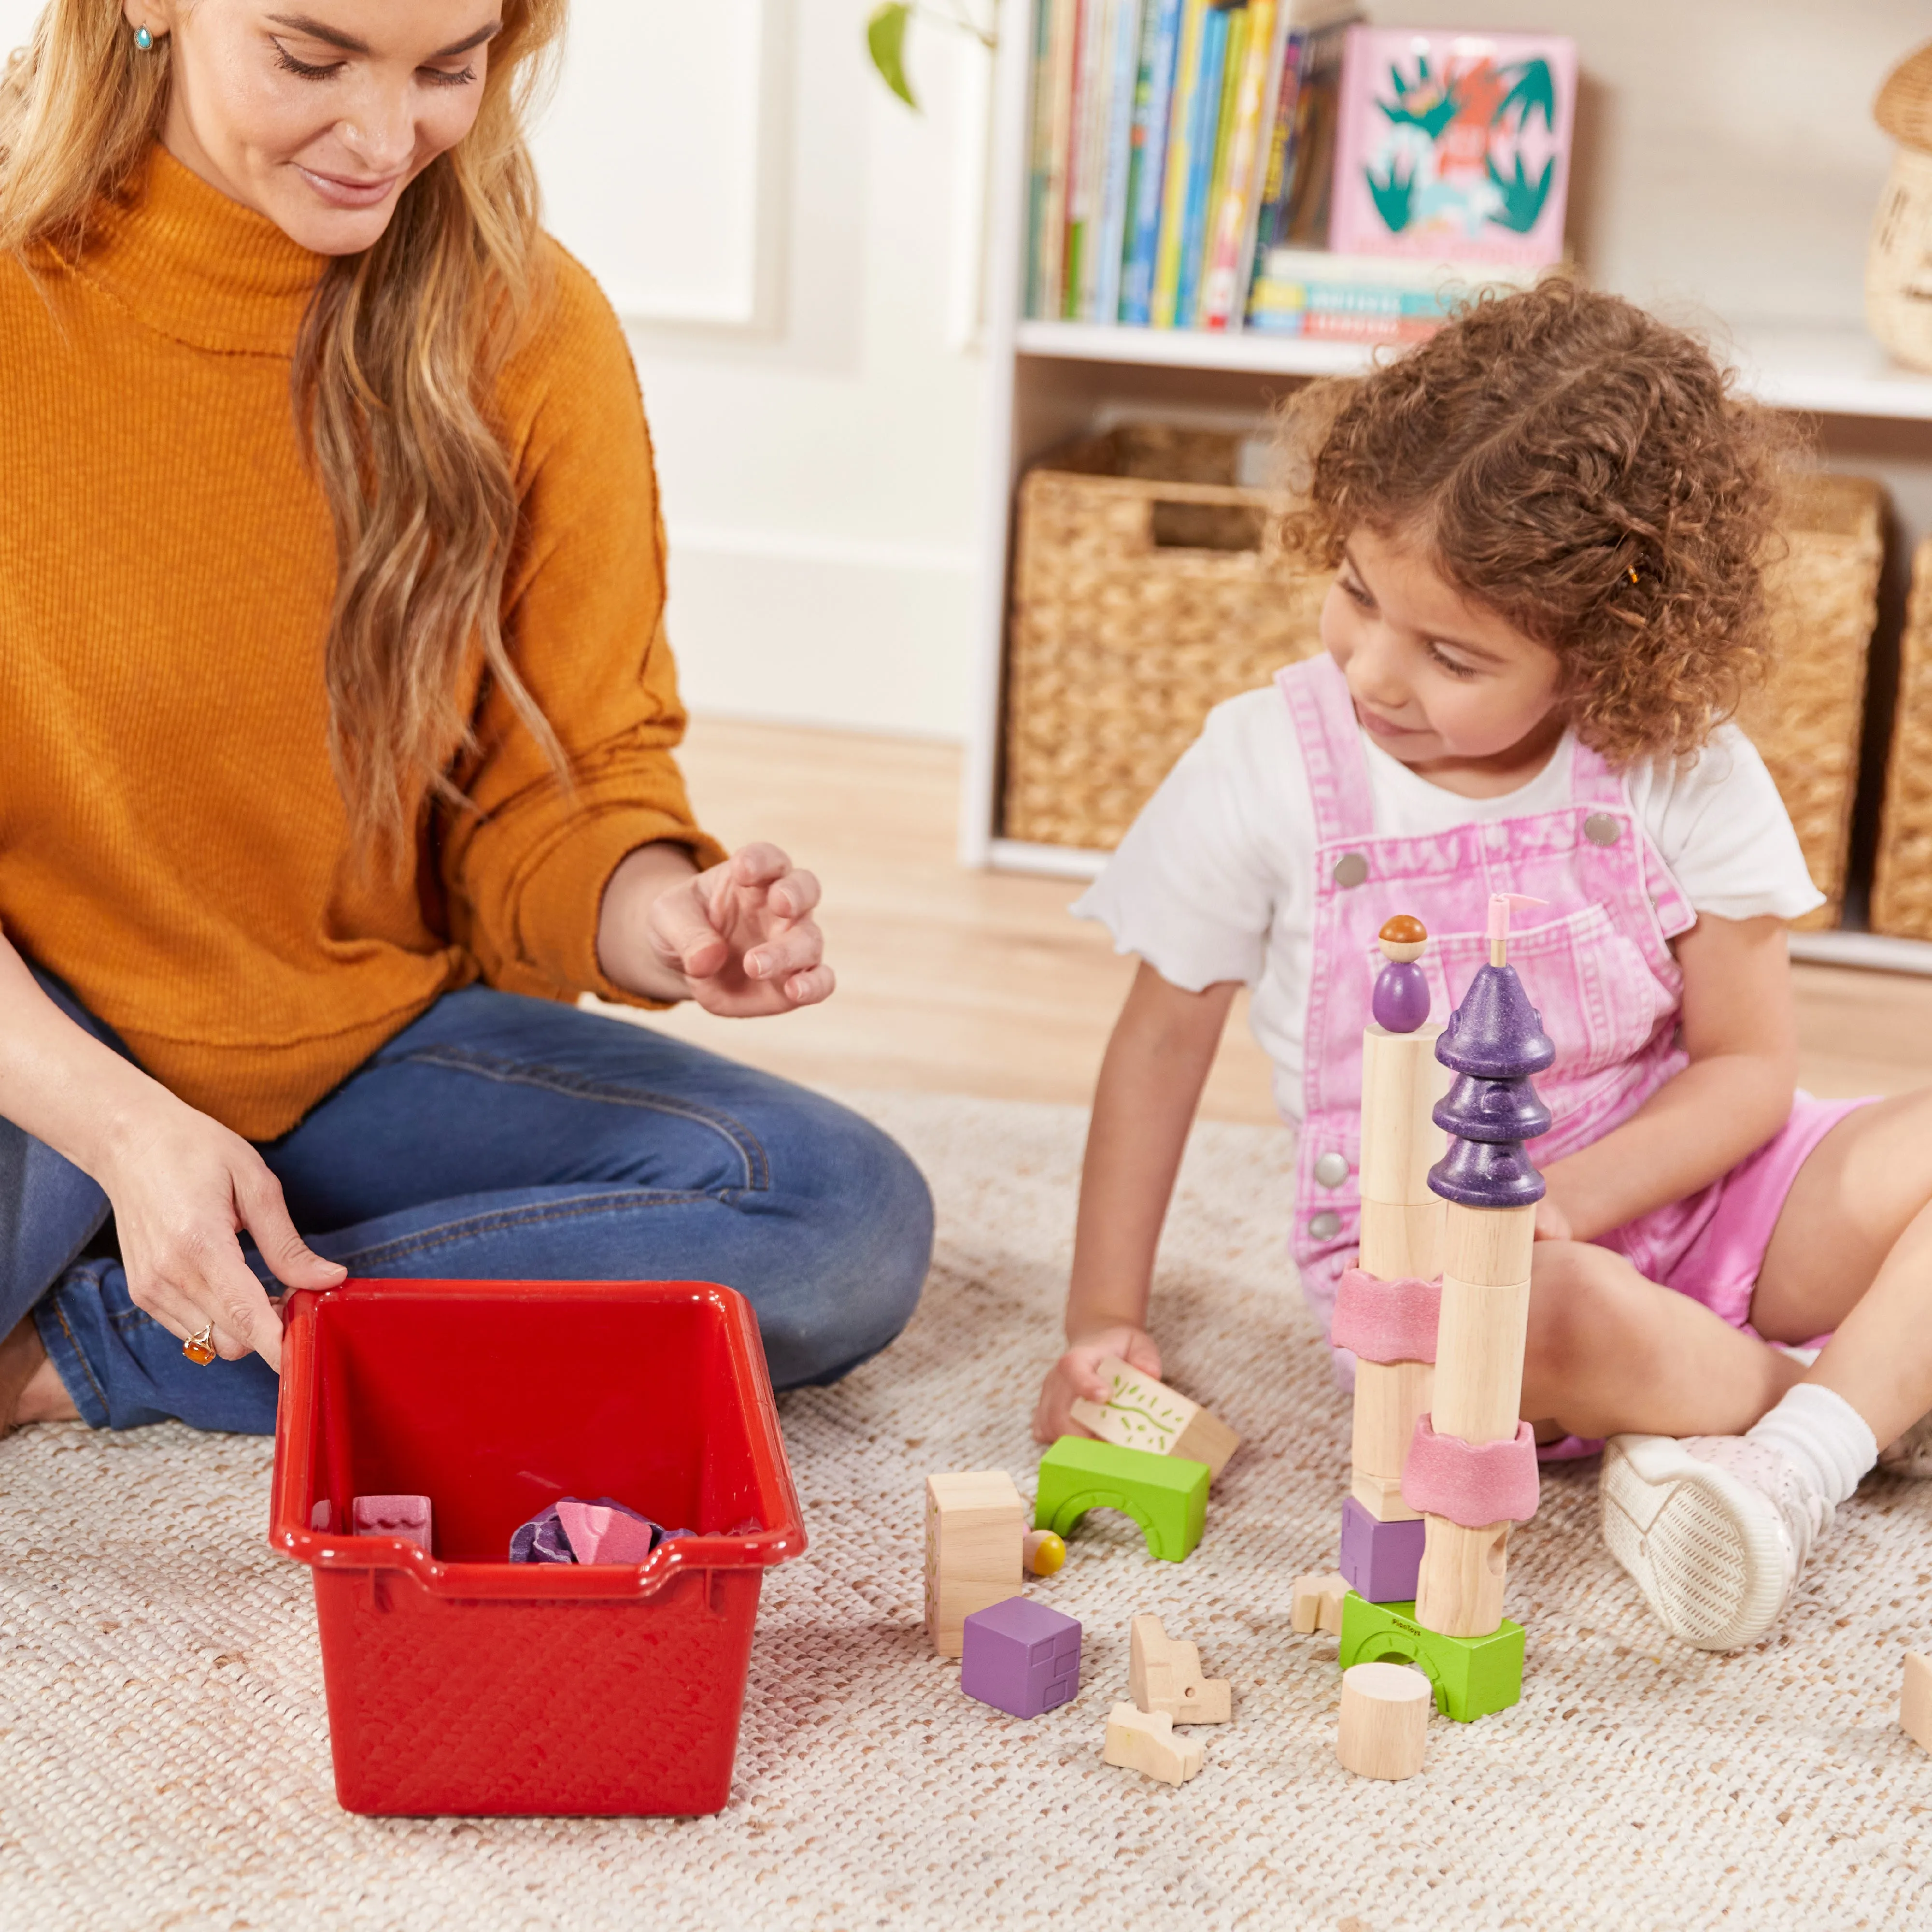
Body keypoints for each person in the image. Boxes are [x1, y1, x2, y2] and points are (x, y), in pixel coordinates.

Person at [0, 0, 933, 1442]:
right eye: (311, 60)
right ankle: (167, 1249)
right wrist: (123, 1131)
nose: (386, 140)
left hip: (339, 1047)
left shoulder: (528, 328)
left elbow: (570, 780)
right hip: (33, 1052)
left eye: (449, 68)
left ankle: (88, 1350)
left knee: (835, 1219)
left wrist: (666, 914)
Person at [1031, 281, 1932, 1652]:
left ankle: (1794, 1451)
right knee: (1523, 1309)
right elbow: (1161, 1044)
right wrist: (1103, 1319)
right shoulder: (1265, 765)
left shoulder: (1677, 771)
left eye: (1452, 653)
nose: (1376, 673)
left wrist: (1570, 1194)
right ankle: (1833, 1402)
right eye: (1353, 592)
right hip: (1445, 1273)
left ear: (1605, 654)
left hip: (1695, 1188)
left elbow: (1752, 1072)